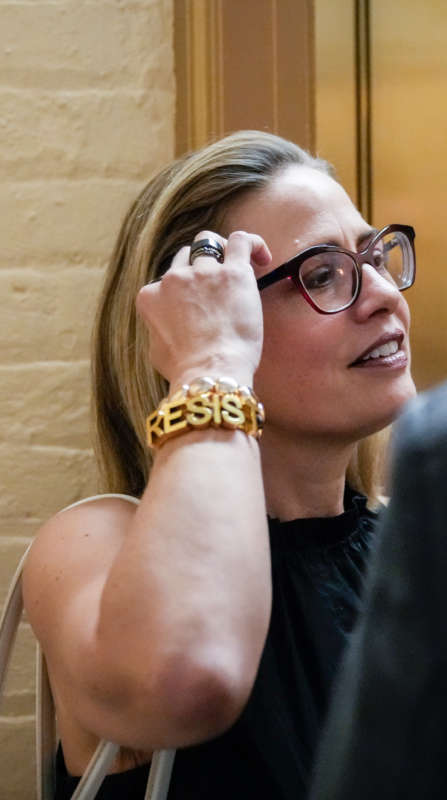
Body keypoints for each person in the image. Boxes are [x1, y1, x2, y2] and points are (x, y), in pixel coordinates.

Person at [23, 130, 418, 798]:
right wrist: (211, 364)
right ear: (199, 316)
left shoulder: (413, 549)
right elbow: (186, 677)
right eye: (323, 275)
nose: (381, 293)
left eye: (375, 255)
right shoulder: (92, 544)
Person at [310, 368, 447, 800]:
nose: (385, 298)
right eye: (315, 293)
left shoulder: (424, 528)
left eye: (398, 290)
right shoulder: (123, 545)